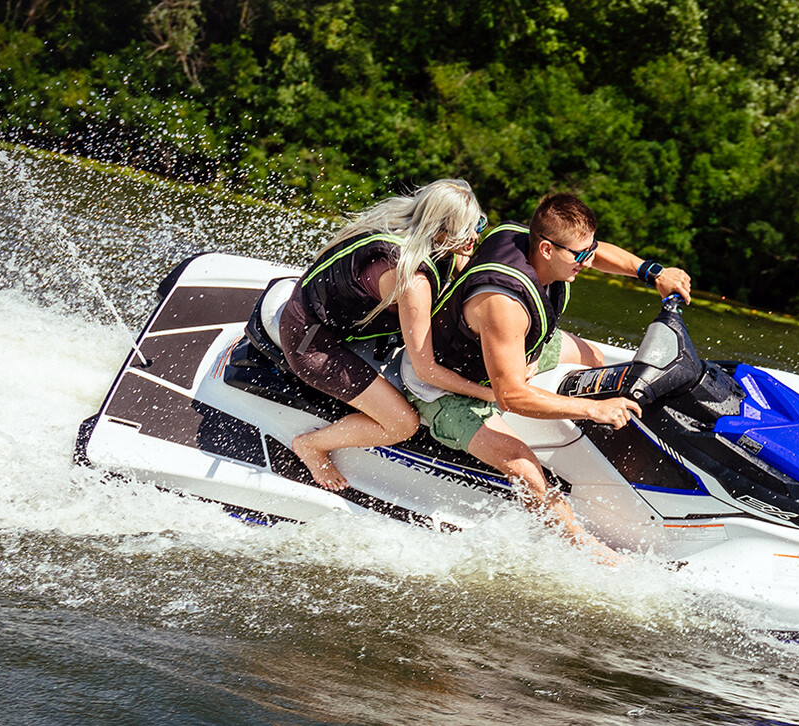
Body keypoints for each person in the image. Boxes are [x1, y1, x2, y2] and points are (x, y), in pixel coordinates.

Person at [406, 193, 694, 563]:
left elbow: (596, 249)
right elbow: (510, 395)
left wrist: (652, 272)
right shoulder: (504, 304)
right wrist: (595, 411)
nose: (588, 262)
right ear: (545, 249)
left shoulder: (537, 242)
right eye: (580, 256)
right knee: (523, 464)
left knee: (595, 358)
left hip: (520, 348)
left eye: (588, 251)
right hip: (447, 387)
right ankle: (584, 548)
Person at [282, 179, 497, 490]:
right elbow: (426, 371)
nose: (475, 236)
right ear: (439, 232)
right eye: (467, 231)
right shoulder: (413, 283)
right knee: (402, 423)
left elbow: (465, 265)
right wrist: (490, 394)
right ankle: (312, 445)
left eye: (478, 223)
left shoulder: (405, 226)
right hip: (311, 343)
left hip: (317, 308)